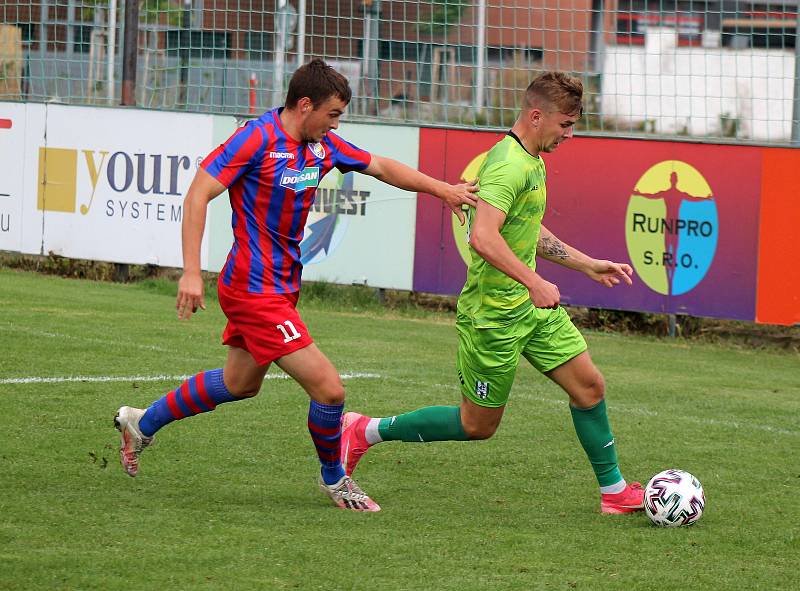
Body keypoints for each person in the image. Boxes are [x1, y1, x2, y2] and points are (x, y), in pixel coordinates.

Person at [113, 58, 478, 513]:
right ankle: (336, 479)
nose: (336, 124)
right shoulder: (256, 139)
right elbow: (197, 194)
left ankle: (142, 422)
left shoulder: (323, 146)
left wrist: (444, 191)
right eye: (333, 114)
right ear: (305, 105)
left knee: (240, 383)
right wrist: (190, 271)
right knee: (329, 389)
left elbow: (381, 166)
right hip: (252, 288)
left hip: (280, 287)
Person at [340, 71, 646, 514]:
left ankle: (613, 492)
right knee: (476, 425)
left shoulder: (533, 159)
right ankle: (363, 431)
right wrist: (535, 281)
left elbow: (525, 229)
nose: (570, 134)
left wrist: (586, 263)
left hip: (531, 310)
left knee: (590, 387)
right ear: (537, 115)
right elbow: (483, 237)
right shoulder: (507, 165)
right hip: (493, 316)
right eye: (565, 124)